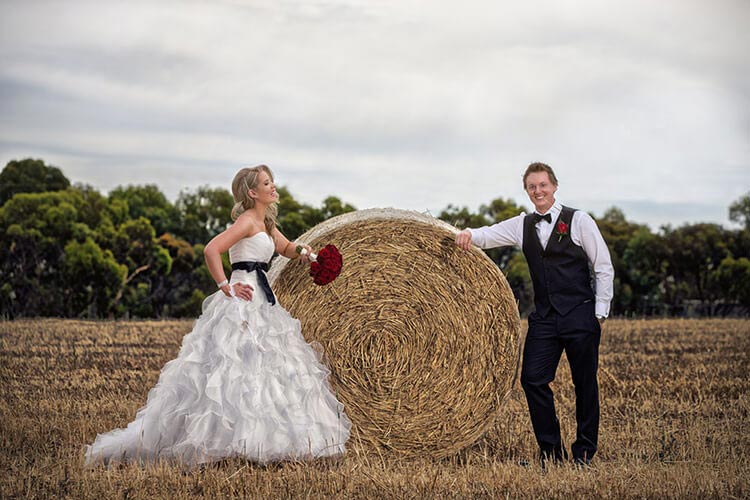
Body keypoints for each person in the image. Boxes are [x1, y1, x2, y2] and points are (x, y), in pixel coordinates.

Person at [85, 165, 351, 467]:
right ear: (253, 193)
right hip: (244, 297)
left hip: (264, 300)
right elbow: (212, 250)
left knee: (269, 367)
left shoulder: (267, 223)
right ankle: (226, 440)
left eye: (272, 181)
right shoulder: (247, 221)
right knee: (235, 367)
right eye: (267, 183)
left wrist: (302, 251)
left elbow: (285, 248)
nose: (273, 186)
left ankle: (269, 440)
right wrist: (226, 286)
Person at [455, 162, 614, 467]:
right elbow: (489, 235)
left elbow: (603, 266)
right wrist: (467, 234)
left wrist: (600, 312)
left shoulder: (579, 220)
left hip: (580, 315)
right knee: (532, 380)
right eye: (532, 187)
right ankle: (551, 453)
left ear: (554, 186)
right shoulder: (522, 224)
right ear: (527, 191)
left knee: (585, 384)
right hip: (544, 318)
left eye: (543, 185)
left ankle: (583, 453)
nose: (538, 191)